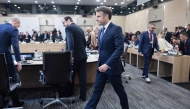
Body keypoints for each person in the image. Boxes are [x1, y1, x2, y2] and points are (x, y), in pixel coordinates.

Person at [85, 6, 129, 109]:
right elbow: (103, 48)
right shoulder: (100, 31)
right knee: (96, 91)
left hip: (112, 67)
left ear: (106, 16)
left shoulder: (116, 28)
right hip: (101, 67)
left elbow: (119, 49)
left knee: (120, 92)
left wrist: (107, 64)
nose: (96, 19)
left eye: (98, 16)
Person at [0, 17, 24, 107]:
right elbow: (15, 46)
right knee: (14, 77)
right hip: (5, 57)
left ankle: (3, 101)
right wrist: (18, 61)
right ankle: (15, 102)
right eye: (18, 26)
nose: (18, 28)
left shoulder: (0, 26)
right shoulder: (13, 29)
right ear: (15, 22)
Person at [62, 16, 87, 101]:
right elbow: (84, 43)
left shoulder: (69, 28)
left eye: (63, 23)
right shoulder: (80, 28)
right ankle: (83, 96)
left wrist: (71, 56)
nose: (63, 25)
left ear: (68, 20)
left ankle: (68, 93)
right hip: (83, 56)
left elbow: (70, 42)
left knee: (70, 76)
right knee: (82, 77)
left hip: (75, 57)